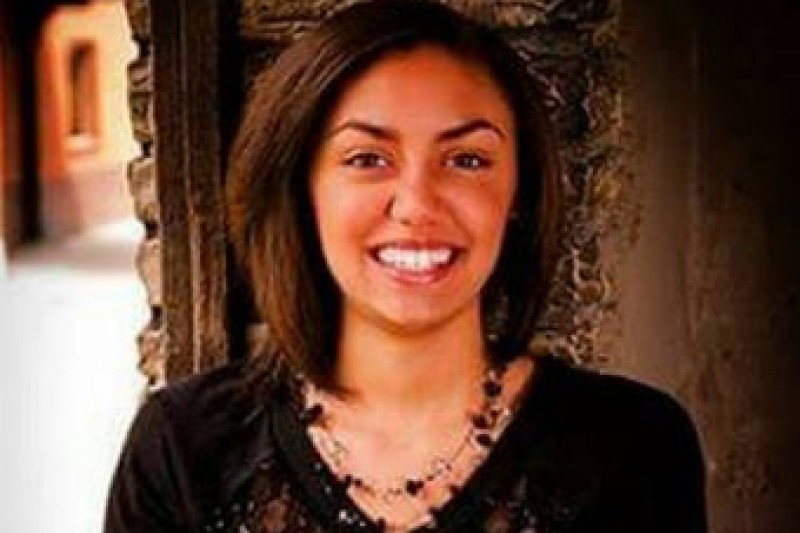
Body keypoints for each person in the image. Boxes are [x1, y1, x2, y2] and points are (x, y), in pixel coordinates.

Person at [104, 1, 707, 531]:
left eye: (467, 160)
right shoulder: (185, 449)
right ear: (302, 191)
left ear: (519, 195)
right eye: (368, 158)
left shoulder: (632, 448)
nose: (417, 204)